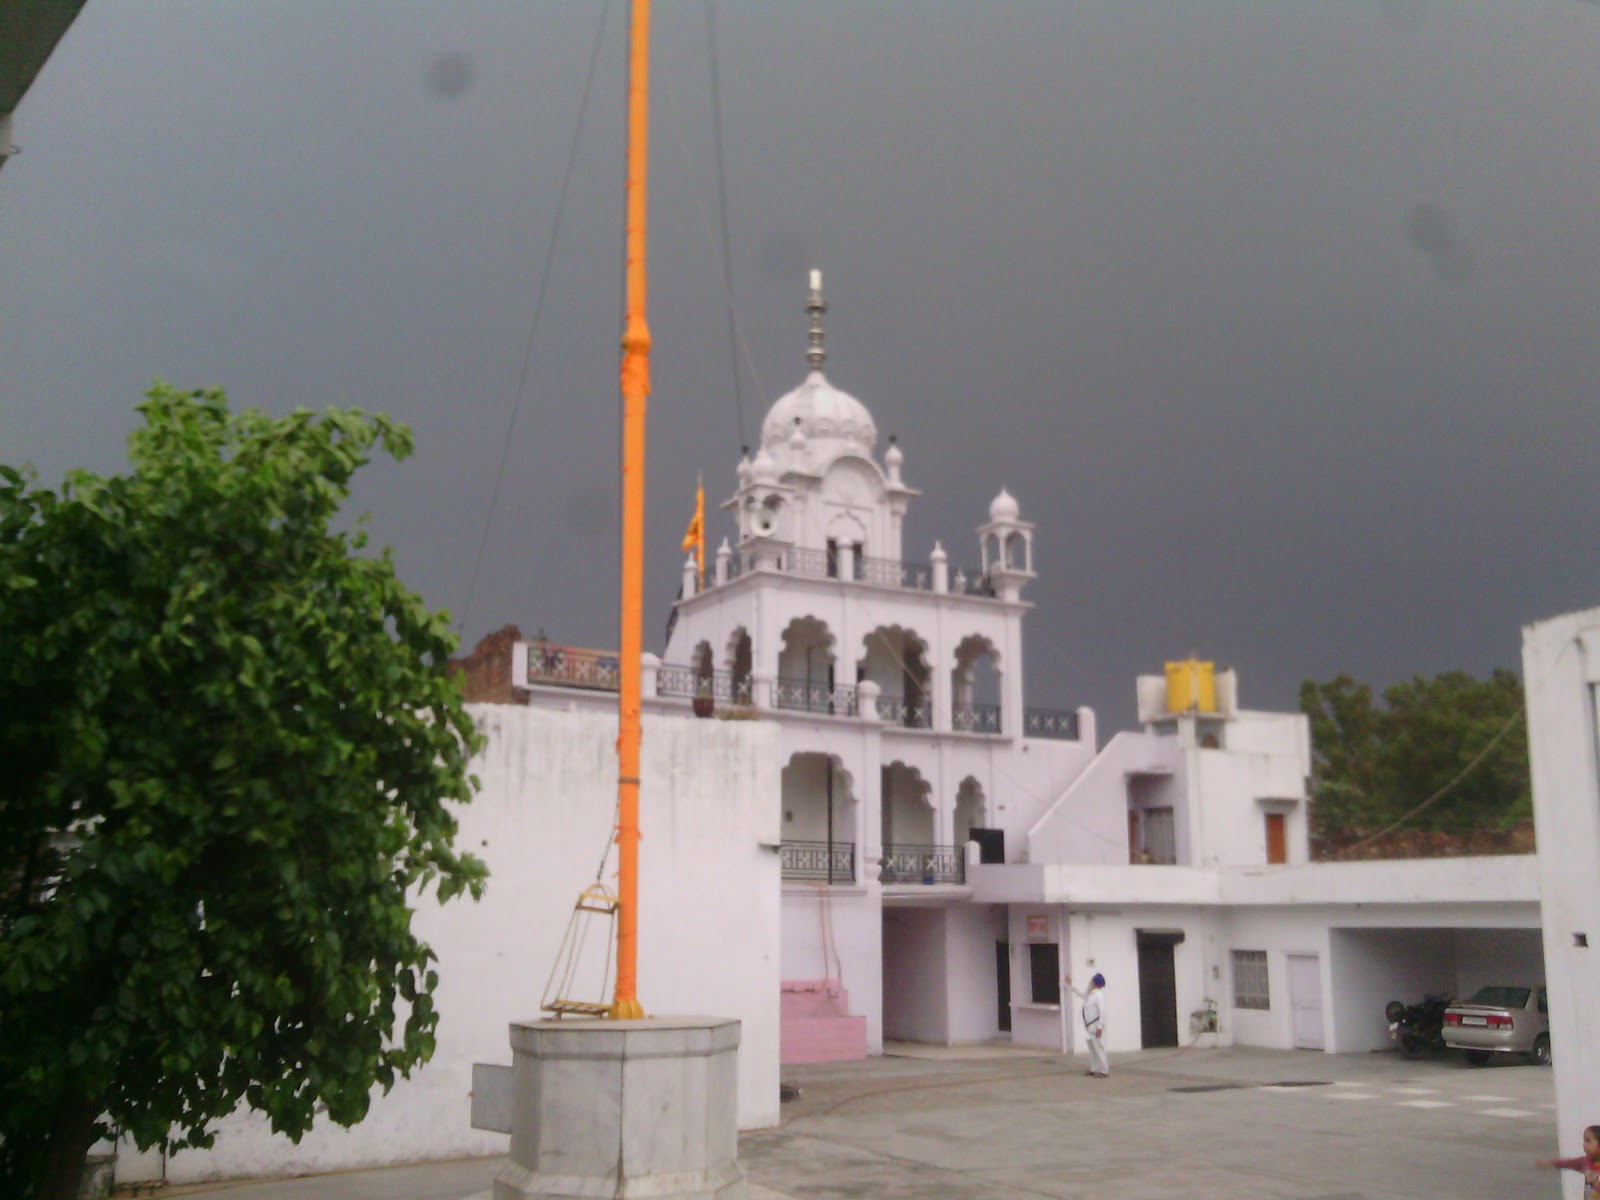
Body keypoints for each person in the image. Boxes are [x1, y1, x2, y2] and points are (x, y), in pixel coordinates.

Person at [1537, 1124, 1600, 1198]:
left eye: (1588, 1141)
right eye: (1584, 1141)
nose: (1584, 1145)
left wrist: (1595, 1178)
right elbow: (1566, 1163)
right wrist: (1548, 1163)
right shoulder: (1584, 1162)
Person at [1067, 972, 1109, 1078]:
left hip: (1095, 1026)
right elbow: (1081, 993)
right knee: (1092, 1049)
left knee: (1099, 1048)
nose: (1090, 982)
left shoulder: (1099, 995)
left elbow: (1102, 1012)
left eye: (1092, 980)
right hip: (1088, 1026)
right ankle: (1094, 1068)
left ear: (1095, 983)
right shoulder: (1090, 993)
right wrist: (1072, 984)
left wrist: (1100, 1027)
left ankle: (1104, 1070)